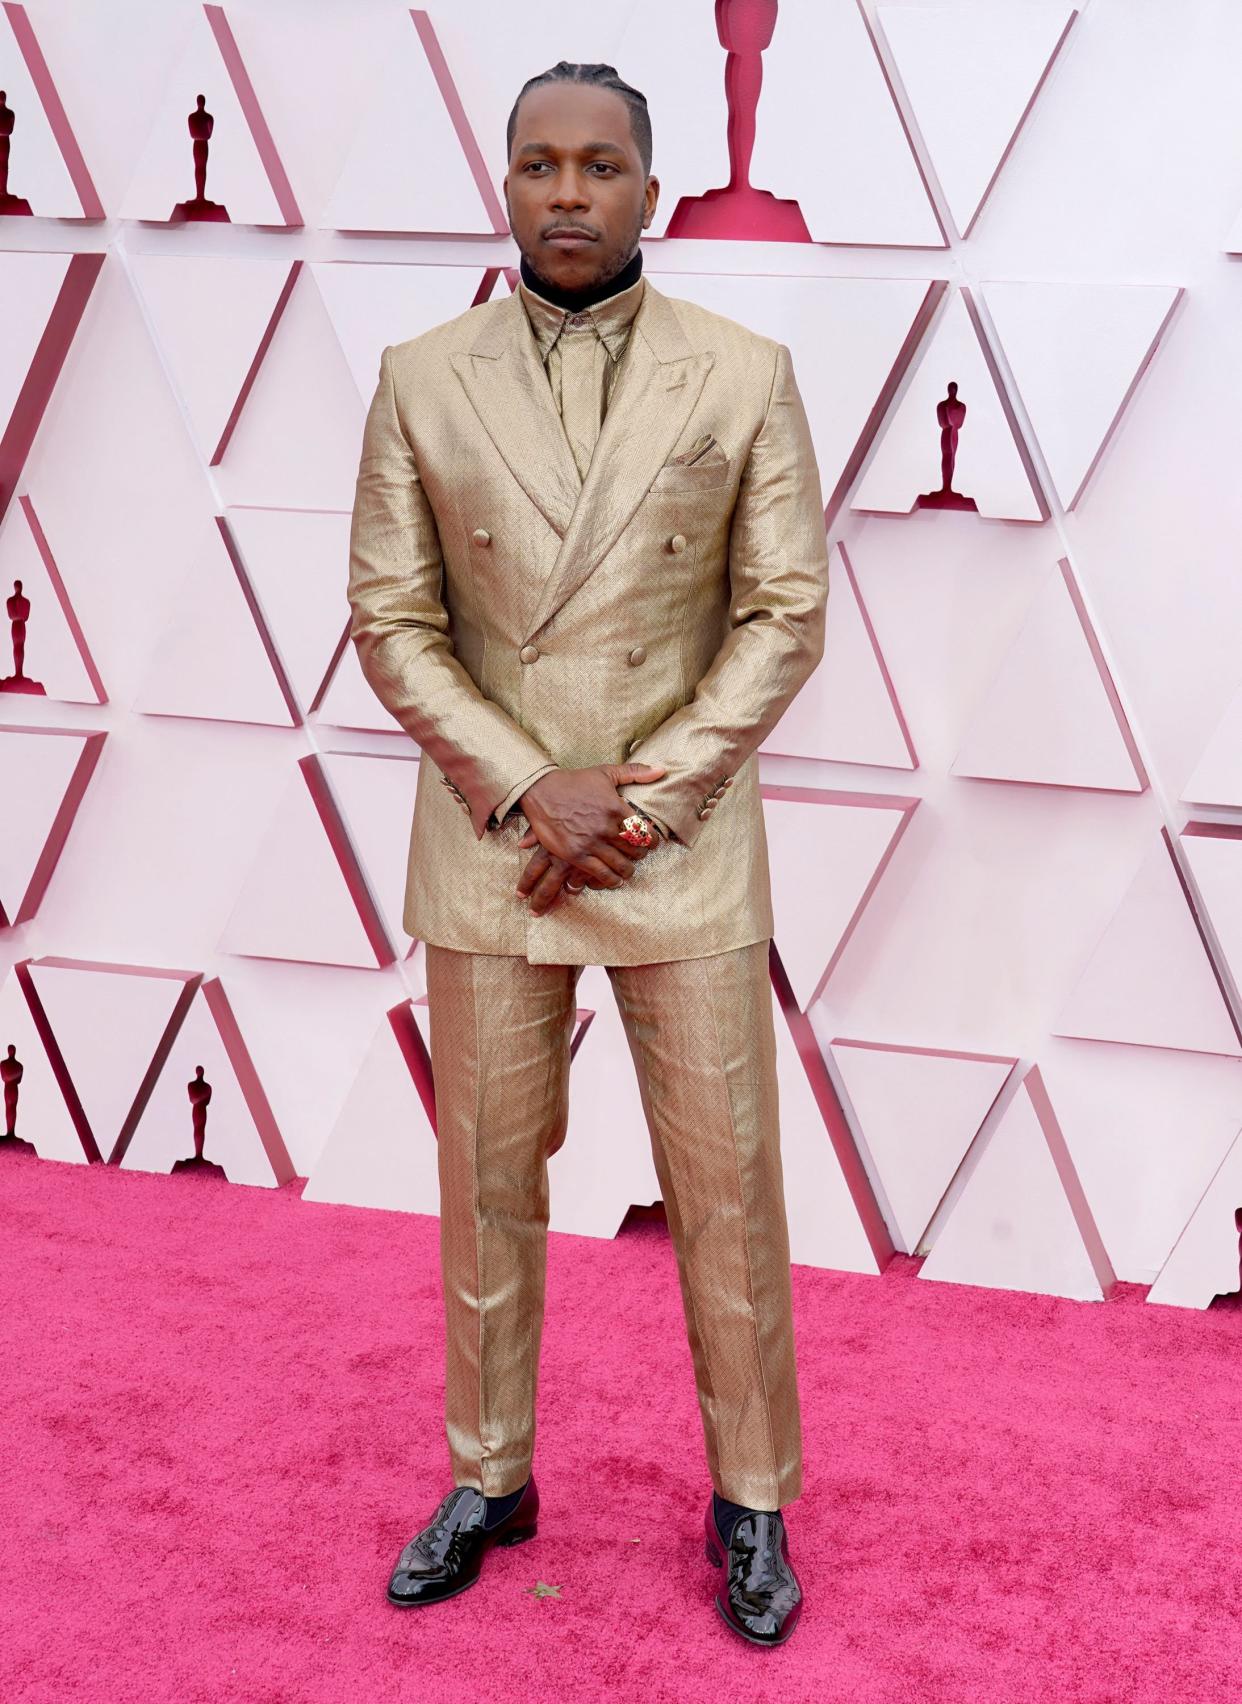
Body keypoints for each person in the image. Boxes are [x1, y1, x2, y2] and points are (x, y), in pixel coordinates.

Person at [346, 59, 829, 1647]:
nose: (568, 191)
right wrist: (520, 785)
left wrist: (633, 799)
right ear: (504, 182)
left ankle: (750, 1497)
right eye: (540, 163)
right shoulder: (423, 375)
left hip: (670, 851)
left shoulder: (742, 371)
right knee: (484, 1186)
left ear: (648, 185)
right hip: (495, 852)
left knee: (728, 1190)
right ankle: (489, 1477)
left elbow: (781, 616)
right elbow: (394, 620)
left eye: (600, 165)